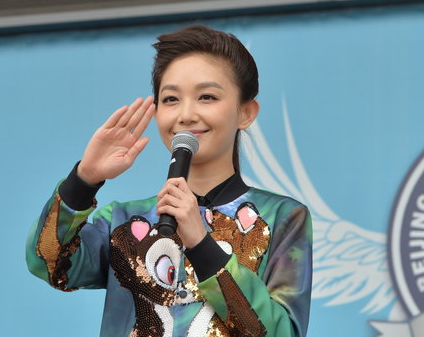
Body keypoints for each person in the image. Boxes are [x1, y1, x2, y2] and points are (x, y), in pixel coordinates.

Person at [25, 24, 312, 336]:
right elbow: (48, 263)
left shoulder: (282, 217)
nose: (186, 115)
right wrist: (84, 180)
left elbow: (282, 332)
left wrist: (201, 243)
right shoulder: (123, 223)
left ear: (246, 112)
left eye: (207, 97)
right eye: (171, 99)